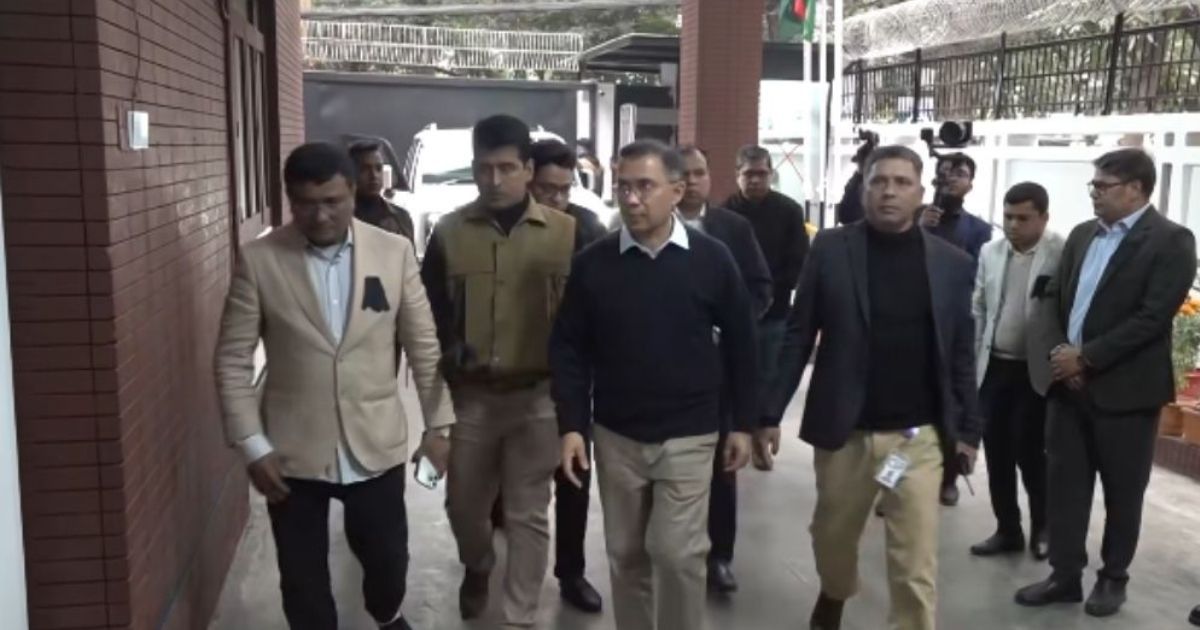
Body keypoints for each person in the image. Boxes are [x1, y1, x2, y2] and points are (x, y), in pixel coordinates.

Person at [213, 142, 455, 630]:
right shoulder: (260, 260)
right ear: (289, 198)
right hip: (290, 449)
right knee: (302, 580)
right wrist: (252, 445)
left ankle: (386, 614)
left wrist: (440, 427)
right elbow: (232, 359)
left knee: (387, 561)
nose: (320, 215)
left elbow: (425, 348)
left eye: (332, 201)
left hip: (375, 439)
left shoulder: (393, 252)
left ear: (352, 192)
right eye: (306, 203)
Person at [761, 145, 981, 630]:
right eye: (879, 181)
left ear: (921, 193)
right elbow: (799, 334)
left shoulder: (952, 264)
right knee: (832, 537)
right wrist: (769, 413)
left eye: (902, 183)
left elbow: (960, 353)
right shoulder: (831, 249)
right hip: (847, 431)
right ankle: (835, 591)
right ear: (864, 191)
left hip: (917, 438)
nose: (889, 192)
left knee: (915, 562)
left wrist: (969, 430)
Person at [551, 139, 757, 630]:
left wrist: (743, 424)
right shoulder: (594, 264)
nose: (631, 198)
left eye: (644, 186)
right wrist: (572, 425)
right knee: (626, 553)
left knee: (677, 552)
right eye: (623, 187)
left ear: (676, 191)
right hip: (617, 433)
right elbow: (569, 348)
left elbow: (742, 343)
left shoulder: (712, 259)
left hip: (690, 432)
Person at [1015, 148, 1196, 618]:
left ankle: (1113, 577)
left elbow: (1153, 317)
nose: (1094, 194)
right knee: (1066, 487)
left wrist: (1087, 357)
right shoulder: (1082, 235)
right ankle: (1064, 575)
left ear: (1135, 188)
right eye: (1093, 185)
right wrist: (1062, 354)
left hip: (1127, 392)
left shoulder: (1172, 241)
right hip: (1067, 388)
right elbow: (1054, 299)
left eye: (1103, 186)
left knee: (1123, 491)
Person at [420, 114, 574, 627]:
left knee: (529, 512)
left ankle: (519, 616)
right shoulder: (449, 233)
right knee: (464, 507)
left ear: (528, 169)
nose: (494, 179)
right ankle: (479, 564)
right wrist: (438, 399)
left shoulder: (568, 234)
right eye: (484, 168)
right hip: (473, 398)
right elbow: (428, 320)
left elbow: (587, 324)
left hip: (539, 397)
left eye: (507, 168)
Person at [677, 144, 772, 594]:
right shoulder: (646, 227)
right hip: (665, 368)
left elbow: (761, 287)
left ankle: (720, 557)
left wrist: (731, 325)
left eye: (699, 172)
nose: (692, 182)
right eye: (683, 174)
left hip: (719, 367)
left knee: (721, 468)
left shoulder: (733, 229)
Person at [526, 137, 606, 613]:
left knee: (573, 472)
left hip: (571, 374)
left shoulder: (587, 228)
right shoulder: (509, 226)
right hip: (515, 373)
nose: (556, 199)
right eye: (546, 189)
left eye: (563, 189)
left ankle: (571, 572)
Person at [969, 182, 1064, 561]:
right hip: (995, 368)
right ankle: (1007, 529)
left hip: (1036, 372)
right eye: (1008, 216)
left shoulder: (1061, 253)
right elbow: (979, 307)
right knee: (997, 453)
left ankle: (1044, 527)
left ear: (1044, 217)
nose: (1013, 225)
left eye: (1023, 218)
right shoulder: (990, 252)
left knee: (1031, 452)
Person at [919, 151, 993, 506]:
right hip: (914, 321)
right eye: (945, 172)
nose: (951, 178)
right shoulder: (915, 217)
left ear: (970, 184)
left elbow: (976, 277)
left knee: (950, 401)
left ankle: (948, 475)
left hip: (953, 326)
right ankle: (896, 480)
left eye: (960, 173)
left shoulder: (978, 229)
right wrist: (920, 229)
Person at [723, 145, 810, 433]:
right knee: (733, 376)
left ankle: (761, 432)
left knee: (769, 377)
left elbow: (799, 260)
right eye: (749, 174)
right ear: (737, 175)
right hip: (734, 313)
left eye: (761, 173)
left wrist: (771, 291)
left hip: (776, 312)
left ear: (771, 174)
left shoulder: (789, 211)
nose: (755, 180)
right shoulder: (725, 214)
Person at [349, 140, 415, 241]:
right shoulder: (343, 218)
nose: (374, 176)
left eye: (378, 168)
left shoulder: (400, 217)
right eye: (365, 169)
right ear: (351, 173)